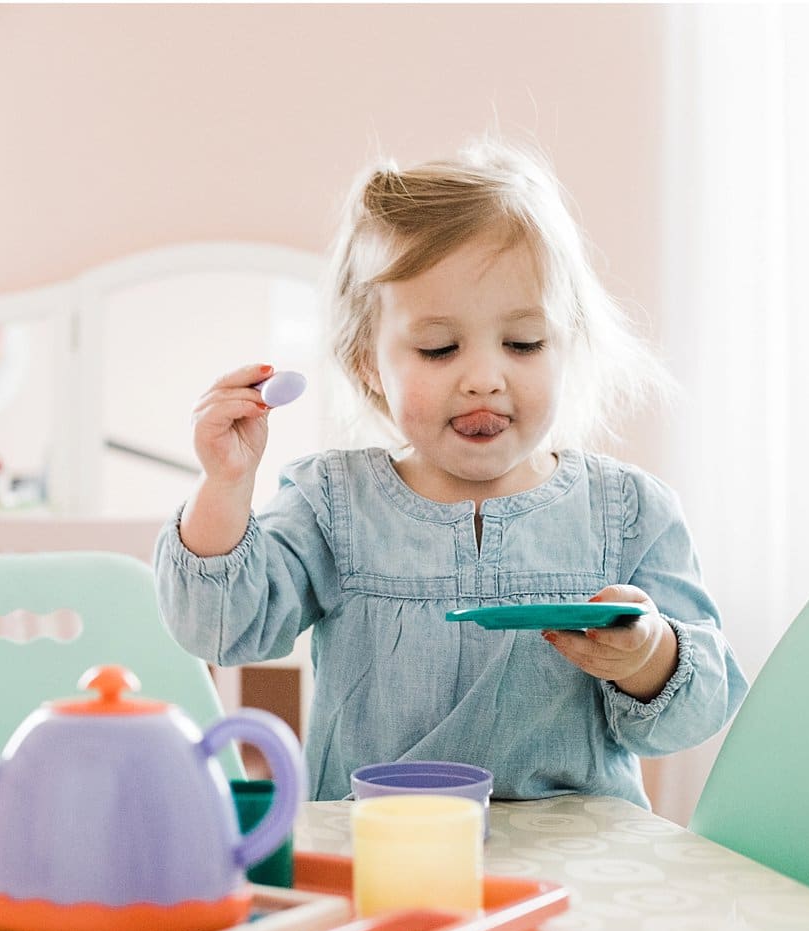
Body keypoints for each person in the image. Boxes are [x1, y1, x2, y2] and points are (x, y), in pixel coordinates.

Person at [153, 139, 749, 805]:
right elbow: (220, 629)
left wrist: (648, 658)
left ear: (566, 345)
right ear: (366, 366)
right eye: (439, 349)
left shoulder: (631, 511)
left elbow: (700, 712)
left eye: (524, 343)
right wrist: (225, 486)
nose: (485, 379)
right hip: (381, 851)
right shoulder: (332, 504)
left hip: (575, 864)